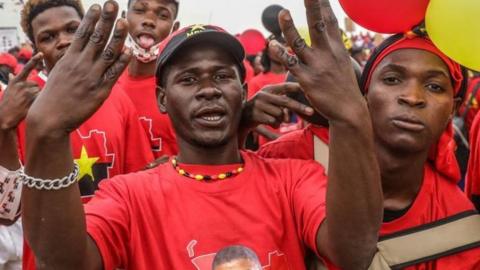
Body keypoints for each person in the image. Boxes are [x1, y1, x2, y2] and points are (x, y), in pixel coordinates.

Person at [20, 1, 382, 270]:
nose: (208, 89)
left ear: (243, 90)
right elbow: (63, 262)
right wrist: (46, 133)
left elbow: (352, 252)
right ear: (162, 99)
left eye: (222, 76)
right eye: (188, 79)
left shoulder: (292, 179)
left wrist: (350, 117)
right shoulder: (129, 195)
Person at [256, 23, 480, 267]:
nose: (412, 97)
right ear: (364, 95)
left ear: (453, 109)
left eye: (434, 86)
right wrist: (237, 129)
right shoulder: (290, 157)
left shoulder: (460, 227)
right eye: (392, 79)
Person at [18, 0, 154, 268]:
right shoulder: (18, 103)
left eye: (72, 29)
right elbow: (6, 211)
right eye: (48, 37)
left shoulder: (118, 97)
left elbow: (138, 179)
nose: (64, 41)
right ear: (36, 49)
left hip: (111, 254)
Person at [115, 0, 180, 159]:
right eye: (139, 10)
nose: (149, 21)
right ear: (124, 18)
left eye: (162, 15)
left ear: (175, 28)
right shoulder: (103, 80)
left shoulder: (182, 88)